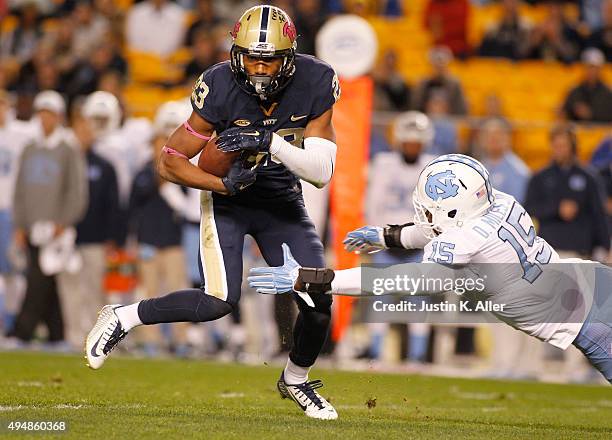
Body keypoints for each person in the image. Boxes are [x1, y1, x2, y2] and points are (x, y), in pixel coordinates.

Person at [86, 6, 340, 420]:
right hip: (229, 200)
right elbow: (170, 161)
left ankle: (296, 379)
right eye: (251, 56)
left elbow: (322, 174)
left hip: (280, 200)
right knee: (218, 300)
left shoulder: (315, 80)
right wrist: (222, 184)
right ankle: (124, 315)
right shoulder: (220, 84)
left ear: (289, 57)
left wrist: (269, 142)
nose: (258, 68)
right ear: (236, 52)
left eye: (269, 58)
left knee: (317, 295)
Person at [249, 154, 612, 384]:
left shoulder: (462, 240)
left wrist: (313, 278)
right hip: (588, 278)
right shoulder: (500, 201)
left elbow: (398, 280)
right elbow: (441, 227)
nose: (423, 213)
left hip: (579, 319)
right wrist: (389, 236)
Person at [8, 90, 87, 346]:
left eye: (49, 114)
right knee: (46, 282)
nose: (44, 119)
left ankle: (21, 332)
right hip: (31, 227)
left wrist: (63, 223)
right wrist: (19, 224)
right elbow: (19, 188)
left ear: (59, 117)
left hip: (56, 229)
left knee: (38, 281)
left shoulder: (68, 148)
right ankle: (56, 335)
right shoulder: (30, 148)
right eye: (41, 113)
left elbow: (77, 191)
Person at [524, 124, 610, 260]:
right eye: (556, 145)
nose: (560, 150)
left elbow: (599, 214)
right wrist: (557, 208)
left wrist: (605, 246)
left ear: (573, 146)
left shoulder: (590, 178)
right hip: (549, 250)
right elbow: (529, 208)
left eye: (564, 145)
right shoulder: (539, 177)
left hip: (580, 250)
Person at [561, 48, 612, 123]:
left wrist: (591, 114)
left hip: (601, 132)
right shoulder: (574, 91)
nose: (592, 71)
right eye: (589, 67)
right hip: (576, 132)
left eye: (594, 68)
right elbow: (566, 113)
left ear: (600, 69)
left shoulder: (608, 92)